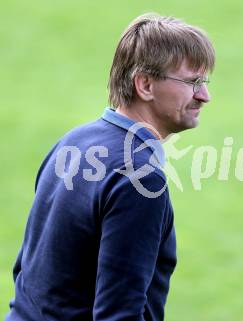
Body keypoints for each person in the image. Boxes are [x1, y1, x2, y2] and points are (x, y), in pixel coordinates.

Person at [5, 13, 215, 321]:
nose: (204, 95)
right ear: (145, 84)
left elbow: (27, 272)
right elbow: (118, 315)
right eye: (192, 82)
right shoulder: (140, 179)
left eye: (205, 82)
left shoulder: (72, 142)